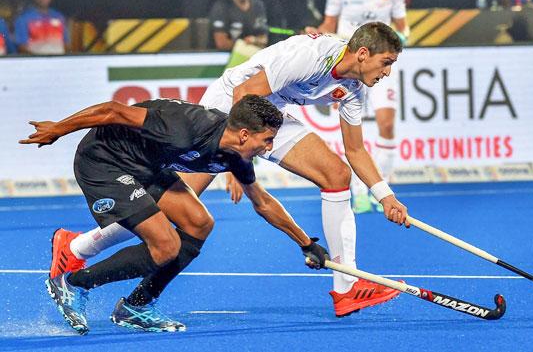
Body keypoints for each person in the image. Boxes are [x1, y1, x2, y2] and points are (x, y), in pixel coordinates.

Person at [51, 22, 410, 318]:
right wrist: (237, 163)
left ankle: (346, 288)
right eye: (386, 63)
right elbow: (244, 96)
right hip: (230, 110)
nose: (387, 72)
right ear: (363, 54)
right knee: (172, 203)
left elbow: (355, 150)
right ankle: (78, 246)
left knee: (336, 175)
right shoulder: (308, 55)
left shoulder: (352, 87)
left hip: (273, 114)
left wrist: (385, 195)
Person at [21, 96, 329, 334]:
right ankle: (73, 284)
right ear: (245, 134)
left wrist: (305, 243)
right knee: (166, 245)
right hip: (105, 162)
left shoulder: (235, 155)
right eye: (267, 140)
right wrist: (58, 129)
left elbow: (261, 202)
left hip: (147, 166)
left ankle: (137, 306)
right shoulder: (187, 127)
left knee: (199, 223)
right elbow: (113, 111)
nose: (269, 148)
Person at [305, 0, 409, 214]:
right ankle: (359, 192)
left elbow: (403, 28)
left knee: (387, 125)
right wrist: (317, 34)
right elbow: (330, 24)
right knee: (351, 131)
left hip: (379, 61)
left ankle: (380, 189)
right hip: (350, 63)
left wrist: (398, 40)